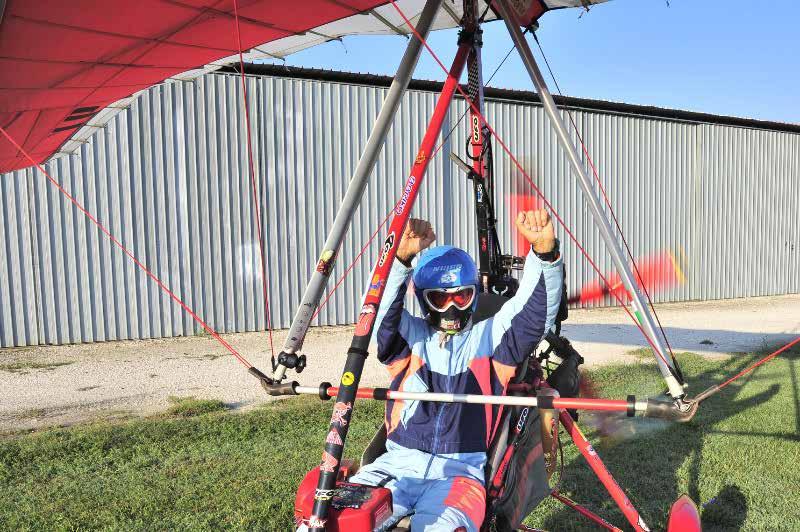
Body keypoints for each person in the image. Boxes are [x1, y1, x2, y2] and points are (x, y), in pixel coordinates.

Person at [349, 209, 564, 531]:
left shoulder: (491, 339)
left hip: (460, 474)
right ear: (424, 300)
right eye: (440, 298)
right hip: (396, 466)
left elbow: (533, 315)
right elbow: (376, 314)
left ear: (474, 295)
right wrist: (400, 261)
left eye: (462, 297)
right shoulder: (410, 338)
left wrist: (544, 256)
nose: (452, 308)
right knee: (339, 520)